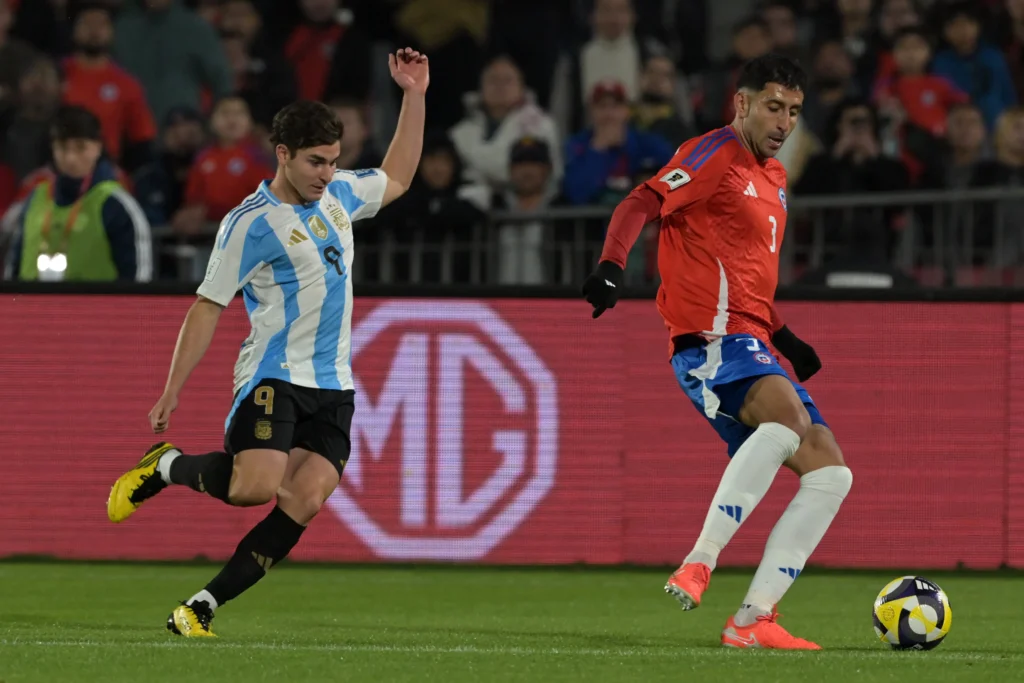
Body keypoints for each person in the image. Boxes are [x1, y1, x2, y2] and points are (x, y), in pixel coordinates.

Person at [104, 48, 429, 637]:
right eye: (314, 162)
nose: (326, 173)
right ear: (282, 154)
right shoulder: (249, 223)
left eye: (333, 161)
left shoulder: (339, 195)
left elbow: (400, 176)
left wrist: (414, 95)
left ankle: (201, 607)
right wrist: (172, 390)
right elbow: (207, 306)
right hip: (274, 375)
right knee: (251, 488)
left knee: (304, 500)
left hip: (334, 385)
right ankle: (166, 465)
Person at [581, 54, 853, 650]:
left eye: (795, 112)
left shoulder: (774, 178)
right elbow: (640, 201)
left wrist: (786, 337)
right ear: (743, 103)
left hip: (753, 340)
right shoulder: (714, 153)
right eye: (774, 107)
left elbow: (744, 275)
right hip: (709, 340)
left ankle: (754, 619)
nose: (784, 123)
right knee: (788, 421)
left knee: (832, 471)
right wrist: (611, 264)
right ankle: (700, 561)